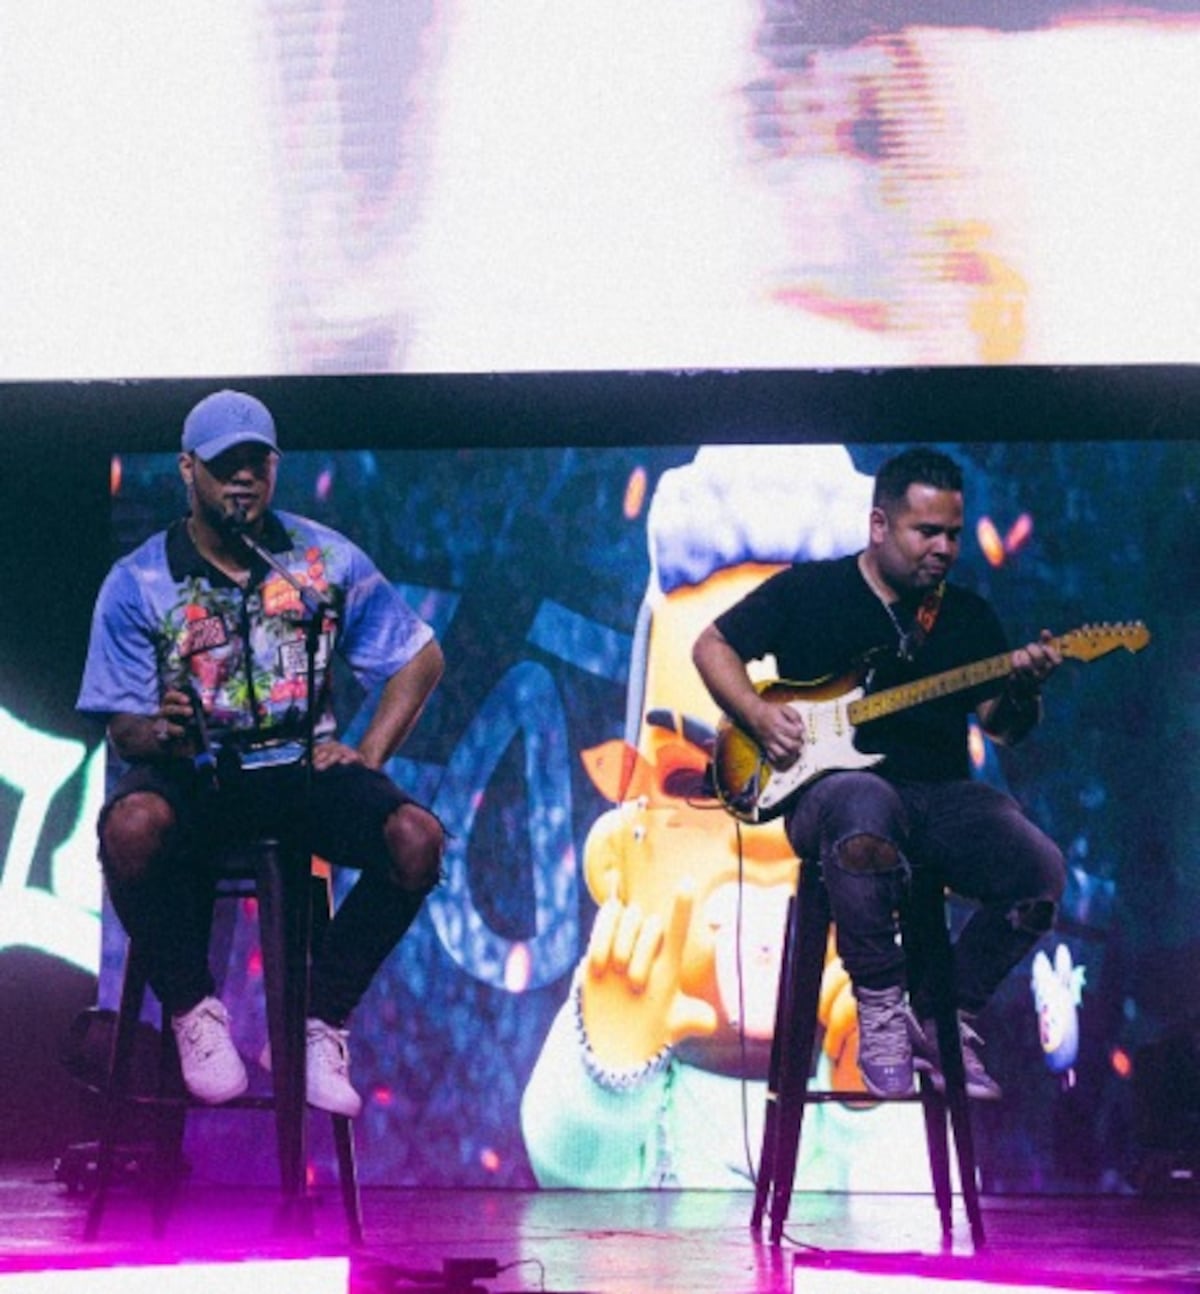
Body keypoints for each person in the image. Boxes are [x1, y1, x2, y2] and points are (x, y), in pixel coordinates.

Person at [77, 389, 445, 1117]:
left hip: (300, 774)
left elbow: (419, 659)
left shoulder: (319, 561)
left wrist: (368, 750)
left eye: (256, 463)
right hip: (198, 777)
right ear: (188, 470)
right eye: (223, 465)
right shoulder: (139, 582)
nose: (241, 478)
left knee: (416, 841)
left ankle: (319, 1022)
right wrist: (162, 731)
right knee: (127, 830)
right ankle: (194, 1011)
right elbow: (122, 726)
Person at [692, 446, 1066, 1100]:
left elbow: (1002, 725)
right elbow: (711, 645)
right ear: (878, 526)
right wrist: (755, 713)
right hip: (829, 801)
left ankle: (943, 1009)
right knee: (863, 802)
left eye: (953, 533)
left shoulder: (968, 616)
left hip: (940, 799)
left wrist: (1026, 689)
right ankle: (881, 1007)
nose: (944, 548)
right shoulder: (809, 591)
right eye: (927, 532)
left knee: (1038, 869)